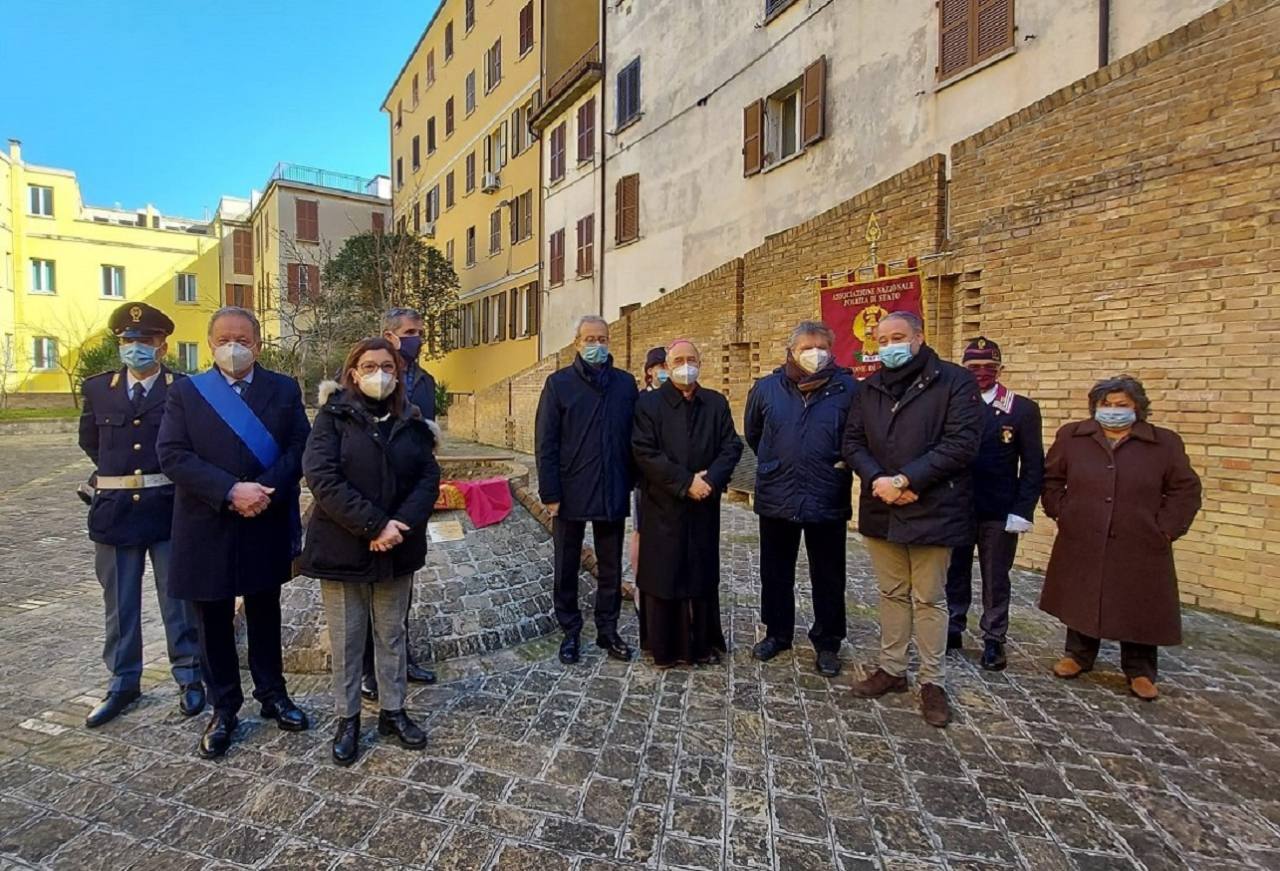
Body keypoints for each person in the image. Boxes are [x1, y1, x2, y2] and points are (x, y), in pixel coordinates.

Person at [158, 306, 311, 758]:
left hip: (265, 516)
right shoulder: (186, 393)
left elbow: (301, 446)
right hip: (208, 521)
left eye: (243, 339)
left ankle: (273, 695)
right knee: (214, 620)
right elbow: (172, 455)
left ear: (258, 344)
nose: (234, 347)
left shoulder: (283, 388)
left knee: (266, 611)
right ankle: (224, 707)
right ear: (210, 344)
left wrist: (265, 490)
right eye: (225, 339)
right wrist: (230, 490)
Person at [300, 337, 441, 765]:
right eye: (369, 365)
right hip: (344, 546)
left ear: (397, 374)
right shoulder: (332, 418)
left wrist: (398, 525)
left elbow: (427, 479)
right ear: (353, 373)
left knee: (392, 635)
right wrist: (373, 524)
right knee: (347, 639)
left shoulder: (412, 420)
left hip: (397, 547)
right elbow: (322, 478)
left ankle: (393, 712)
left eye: (387, 366)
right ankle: (348, 719)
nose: (378, 373)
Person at [841, 311, 982, 727]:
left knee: (929, 597)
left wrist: (907, 479)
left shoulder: (953, 382)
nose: (889, 345)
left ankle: (932, 681)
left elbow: (962, 444)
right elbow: (852, 441)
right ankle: (892, 667)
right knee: (892, 592)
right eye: (882, 339)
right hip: (881, 505)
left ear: (919, 337)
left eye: (897, 336)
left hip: (933, 505)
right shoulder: (869, 389)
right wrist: (878, 480)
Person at [78, 302, 204, 727]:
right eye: (128, 341)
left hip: (169, 510)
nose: (135, 348)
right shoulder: (98, 389)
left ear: (162, 346)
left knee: (179, 600)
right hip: (114, 514)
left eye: (144, 341)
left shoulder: (182, 389)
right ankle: (123, 681)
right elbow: (91, 441)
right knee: (120, 604)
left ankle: (189, 676)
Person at [1040, 375, 1201, 701]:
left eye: (1121, 406)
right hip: (1084, 534)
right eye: (1106, 405)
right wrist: (1062, 511)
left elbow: (1185, 489)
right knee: (1083, 594)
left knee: (1139, 603)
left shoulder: (1164, 443)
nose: (1113, 411)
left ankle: (1140, 669)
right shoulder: (1073, 437)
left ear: (1137, 409)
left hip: (1139, 538)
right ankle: (1078, 655)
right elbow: (1051, 478)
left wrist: (1166, 528)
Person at [744, 321, 856, 677]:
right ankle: (777, 633)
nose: (815, 353)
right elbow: (753, 432)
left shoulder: (848, 388)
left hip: (827, 491)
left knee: (828, 574)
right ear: (791, 351)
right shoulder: (766, 388)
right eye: (807, 347)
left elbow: (857, 435)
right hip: (778, 491)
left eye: (822, 346)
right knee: (775, 572)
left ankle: (827, 641)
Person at [632, 339, 744, 668]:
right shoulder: (649, 406)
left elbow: (731, 447)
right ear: (666, 366)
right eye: (678, 360)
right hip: (663, 504)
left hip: (703, 505)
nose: (685, 365)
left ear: (700, 363)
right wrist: (685, 482)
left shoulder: (715, 403)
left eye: (691, 358)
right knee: (664, 574)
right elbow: (644, 452)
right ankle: (665, 647)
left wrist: (709, 481)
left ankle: (701, 643)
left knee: (699, 573)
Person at [535, 316, 639, 664]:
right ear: (577, 343)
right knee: (566, 563)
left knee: (610, 566)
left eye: (603, 338)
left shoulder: (626, 384)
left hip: (612, 487)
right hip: (569, 489)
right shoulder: (559, 384)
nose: (597, 344)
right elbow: (545, 443)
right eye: (590, 338)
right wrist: (550, 493)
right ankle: (570, 629)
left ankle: (608, 629)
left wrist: (635, 481)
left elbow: (635, 438)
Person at [945, 337, 1044, 671]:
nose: (982, 373)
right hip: (956, 505)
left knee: (995, 576)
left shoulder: (1021, 409)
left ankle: (993, 638)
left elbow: (1033, 465)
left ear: (1001, 368)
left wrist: (1023, 510)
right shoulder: (952, 403)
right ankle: (953, 626)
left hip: (998, 507)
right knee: (953, 571)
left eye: (990, 367)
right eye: (974, 367)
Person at [359, 307, 440, 701]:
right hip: (371, 504)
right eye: (410, 332)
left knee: (401, 591)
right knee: (368, 591)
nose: (417, 338)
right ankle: (367, 670)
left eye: (420, 332)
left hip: (408, 504)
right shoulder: (368, 376)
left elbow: (429, 443)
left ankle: (400, 658)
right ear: (390, 335)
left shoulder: (425, 382)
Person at [625, 346, 668, 604]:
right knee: (641, 531)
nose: (664, 371)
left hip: (673, 481)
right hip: (646, 479)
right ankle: (640, 584)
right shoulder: (640, 401)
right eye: (660, 366)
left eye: (667, 366)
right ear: (650, 371)